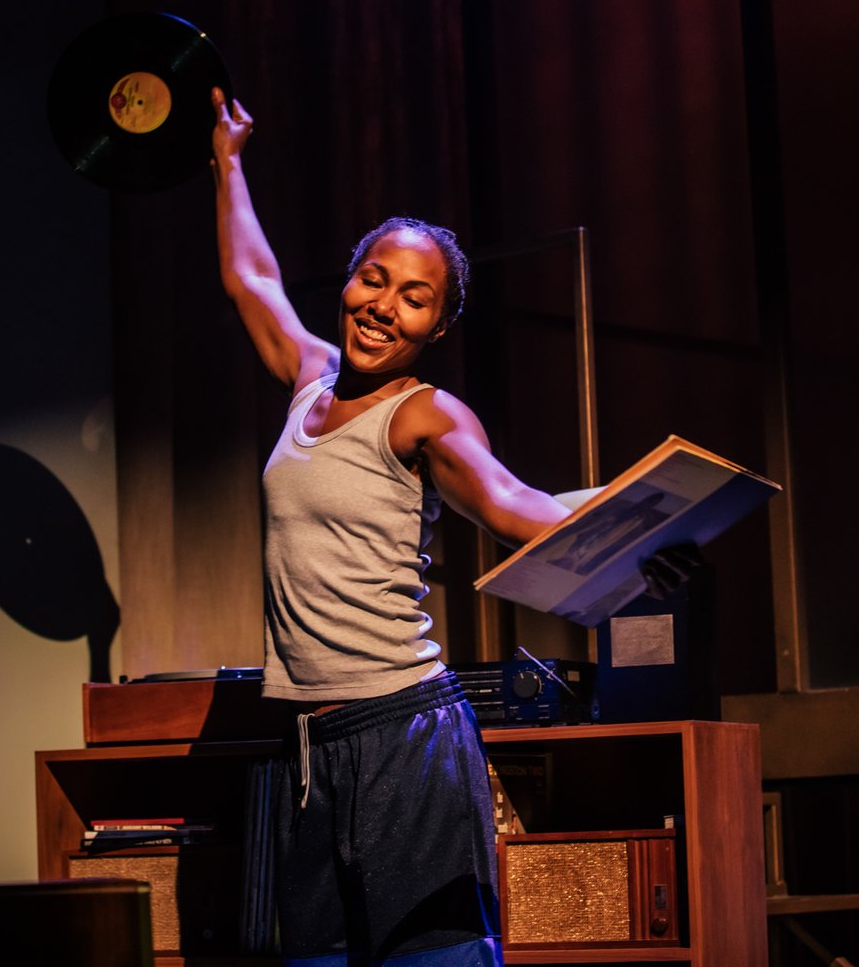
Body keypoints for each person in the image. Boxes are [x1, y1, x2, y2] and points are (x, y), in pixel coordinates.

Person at [210, 88, 694, 967]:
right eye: (373, 279)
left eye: (415, 297)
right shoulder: (309, 379)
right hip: (310, 746)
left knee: (434, 959)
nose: (383, 305)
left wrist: (647, 524)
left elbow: (518, 509)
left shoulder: (425, 417)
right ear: (349, 281)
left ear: (438, 324)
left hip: (404, 733)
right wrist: (227, 160)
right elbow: (254, 280)